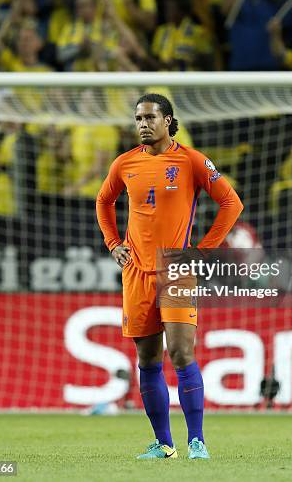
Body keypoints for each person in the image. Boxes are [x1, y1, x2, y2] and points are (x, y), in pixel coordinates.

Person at [96, 93, 243, 460]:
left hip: (175, 268)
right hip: (136, 272)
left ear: (168, 120)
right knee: (147, 359)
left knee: (181, 353)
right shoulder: (124, 163)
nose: (142, 124)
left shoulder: (191, 160)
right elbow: (103, 201)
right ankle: (164, 444)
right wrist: (113, 242)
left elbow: (231, 203)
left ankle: (197, 442)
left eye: (149, 118)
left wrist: (204, 249)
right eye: (138, 119)